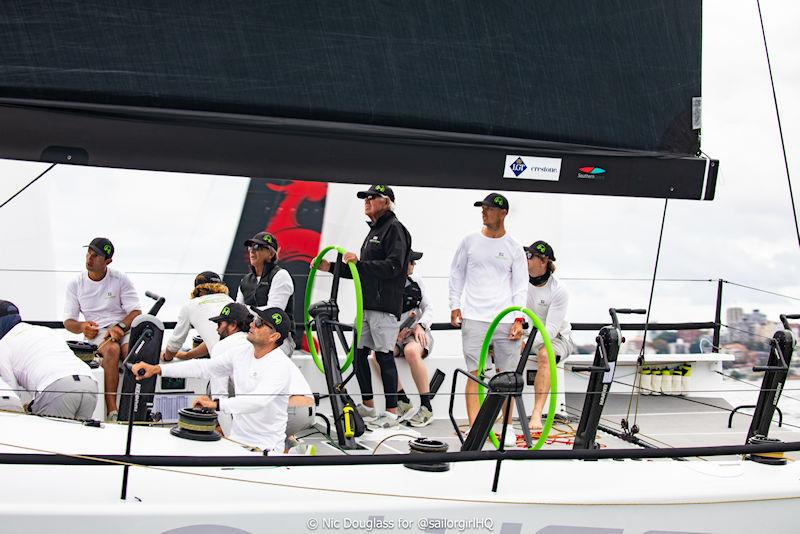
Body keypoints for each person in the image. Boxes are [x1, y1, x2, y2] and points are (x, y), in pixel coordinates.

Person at [133, 307, 295, 454]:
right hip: (237, 442)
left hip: (266, 449)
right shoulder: (241, 352)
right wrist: (157, 369)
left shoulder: (280, 365)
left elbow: (256, 402)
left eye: (260, 323)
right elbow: (204, 367)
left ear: (274, 336)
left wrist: (216, 404)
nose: (252, 324)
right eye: (254, 319)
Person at [317, 184, 411, 429]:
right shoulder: (374, 231)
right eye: (365, 198)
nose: (367, 201)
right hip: (366, 305)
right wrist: (331, 268)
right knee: (358, 355)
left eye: (373, 197)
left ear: (387, 202)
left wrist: (359, 263)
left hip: (384, 307)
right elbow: (362, 272)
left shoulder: (395, 229)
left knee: (383, 356)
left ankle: (391, 412)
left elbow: (393, 266)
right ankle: (368, 406)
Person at [449, 193, 527, 444]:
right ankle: (476, 429)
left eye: (489, 209)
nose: (484, 212)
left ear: (503, 213)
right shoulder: (469, 241)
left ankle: (507, 428)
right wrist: (454, 305)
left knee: (507, 376)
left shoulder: (514, 246)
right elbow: (456, 274)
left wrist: (518, 319)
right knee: (476, 373)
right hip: (473, 316)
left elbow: (520, 286)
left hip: (504, 319)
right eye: (482, 208)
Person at [63, 237, 141, 420]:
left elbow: (136, 312)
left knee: (133, 352)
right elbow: (69, 322)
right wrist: (83, 327)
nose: (89, 258)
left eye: (95, 255)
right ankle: (112, 411)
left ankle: (136, 409)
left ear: (108, 261)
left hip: (124, 329)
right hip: (97, 334)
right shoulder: (76, 284)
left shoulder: (120, 279)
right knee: (112, 350)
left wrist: (120, 327)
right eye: (88, 253)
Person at [0, 300, 98, 420]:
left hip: (57, 388)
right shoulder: (45, 330)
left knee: (48, 438)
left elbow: (11, 391)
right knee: (77, 437)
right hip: (89, 383)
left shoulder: (4, 345)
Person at [524, 240, 575, 432]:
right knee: (499, 349)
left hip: (558, 338)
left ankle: (537, 413)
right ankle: (502, 411)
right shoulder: (520, 282)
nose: (526, 259)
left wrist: (525, 345)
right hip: (528, 336)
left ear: (543, 261)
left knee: (545, 355)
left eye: (530, 256)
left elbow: (551, 331)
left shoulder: (559, 290)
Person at [236, 231, 295, 355]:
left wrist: (244, 311)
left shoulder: (281, 275)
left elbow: (272, 312)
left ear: (270, 254)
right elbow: (237, 312)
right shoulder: (244, 281)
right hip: (250, 336)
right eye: (250, 247)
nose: (252, 251)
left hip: (278, 338)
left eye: (258, 247)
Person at [395, 250, 435, 427]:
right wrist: (395, 333)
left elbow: (429, 308)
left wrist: (420, 325)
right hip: (396, 336)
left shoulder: (416, 281)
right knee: (379, 354)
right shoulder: (386, 285)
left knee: (411, 351)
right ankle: (403, 401)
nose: (414, 265)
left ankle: (426, 408)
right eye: (412, 261)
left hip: (417, 334)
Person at [162, 271, 233, 361]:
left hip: (224, 364)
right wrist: (187, 355)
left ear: (198, 290)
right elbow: (214, 339)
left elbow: (174, 344)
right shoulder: (230, 301)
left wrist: (166, 358)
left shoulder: (191, 305)